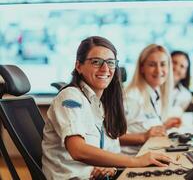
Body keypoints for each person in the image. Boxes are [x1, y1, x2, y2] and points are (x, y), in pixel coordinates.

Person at [42, 36, 172, 180]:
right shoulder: (70, 97)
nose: (105, 68)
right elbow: (77, 150)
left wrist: (109, 166)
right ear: (79, 66)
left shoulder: (101, 104)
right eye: (96, 62)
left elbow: (109, 151)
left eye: (110, 62)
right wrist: (136, 161)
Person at [120, 44, 181, 155]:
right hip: (131, 160)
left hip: (149, 154)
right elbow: (112, 137)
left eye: (163, 64)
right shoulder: (132, 97)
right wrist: (143, 137)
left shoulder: (155, 92)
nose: (158, 70)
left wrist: (163, 126)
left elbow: (139, 125)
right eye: (152, 65)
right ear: (142, 68)